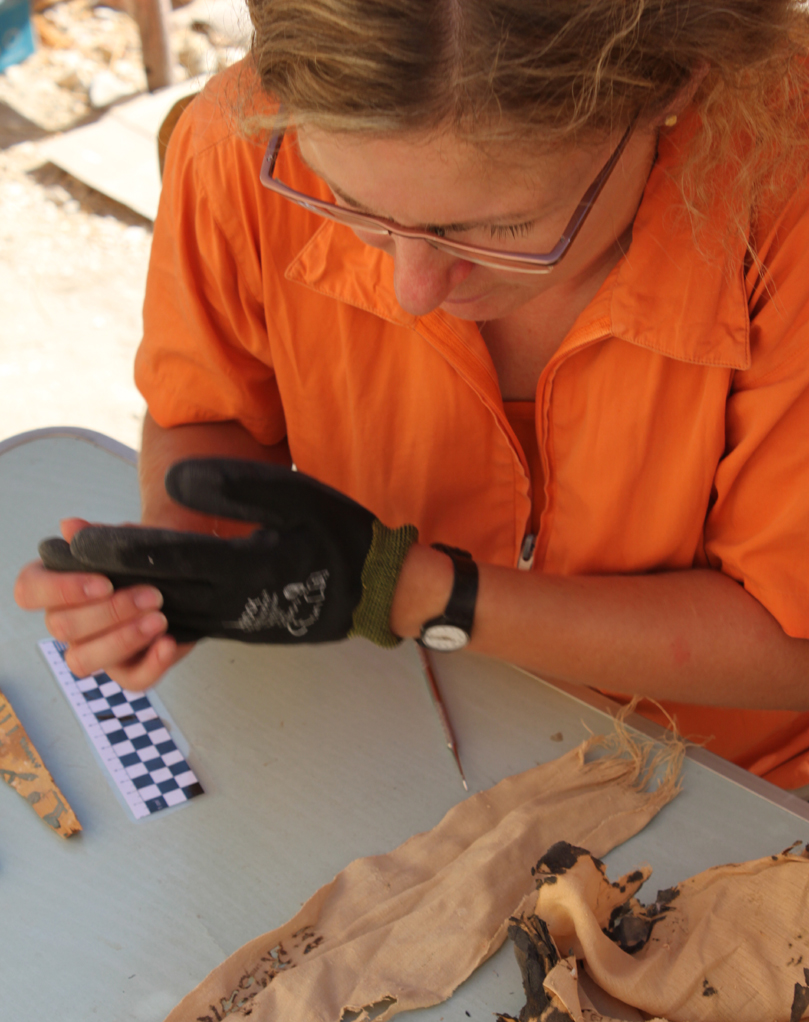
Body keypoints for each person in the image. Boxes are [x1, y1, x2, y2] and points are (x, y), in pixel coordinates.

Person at [14, 0, 809, 791]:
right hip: (392, 729)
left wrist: (411, 592)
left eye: (499, 227)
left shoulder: (787, 197)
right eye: (351, 204)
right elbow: (215, 412)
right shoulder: (251, 132)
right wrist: (190, 562)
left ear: (671, 88)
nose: (414, 286)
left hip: (734, 785)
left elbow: (792, 646)